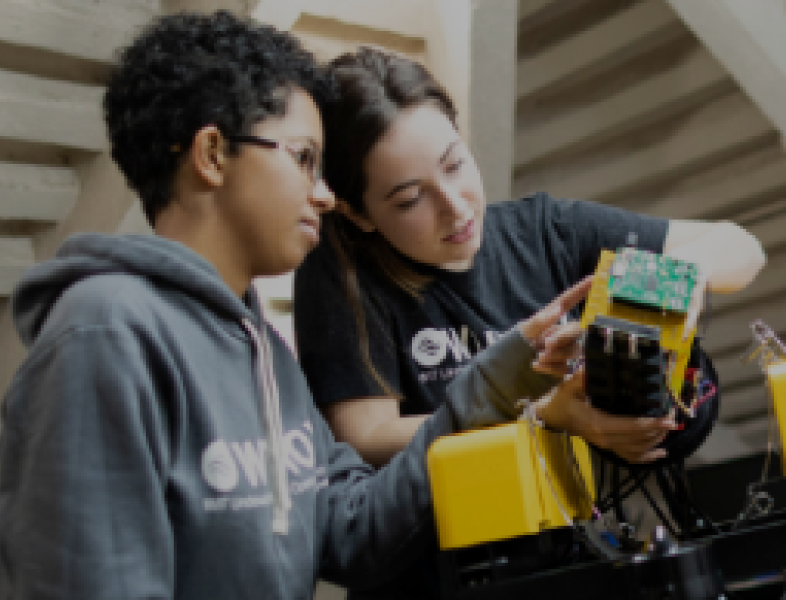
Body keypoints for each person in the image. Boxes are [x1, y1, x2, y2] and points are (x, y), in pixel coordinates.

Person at [0, 11, 583, 598]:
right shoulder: (106, 334)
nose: (324, 195)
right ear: (212, 154)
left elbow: (354, 529)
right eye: (304, 159)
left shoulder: (262, 353)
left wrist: (488, 394)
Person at [295, 47, 767, 472]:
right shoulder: (341, 270)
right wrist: (539, 416)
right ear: (358, 213)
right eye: (410, 199)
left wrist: (658, 290)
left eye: (455, 164)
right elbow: (366, 437)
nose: (455, 206)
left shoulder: (544, 231)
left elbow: (740, 246)